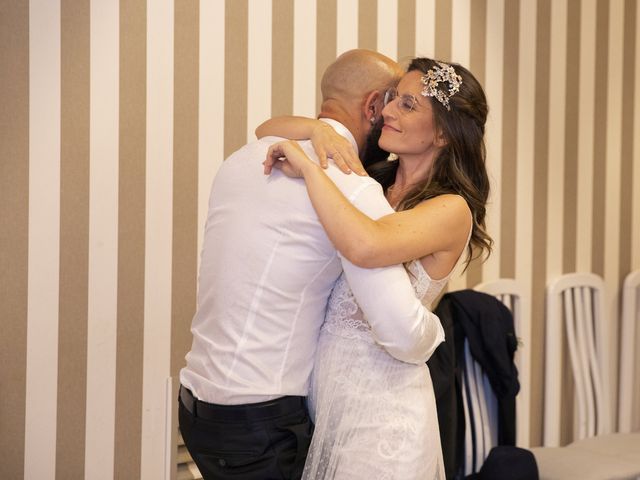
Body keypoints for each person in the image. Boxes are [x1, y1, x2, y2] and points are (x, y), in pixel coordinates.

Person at [179, 50, 447, 480]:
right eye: (394, 100)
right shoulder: (352, 187)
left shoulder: (244, 157)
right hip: (262, 421)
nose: (396, 111)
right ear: (373, 106)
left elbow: (266, 127)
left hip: (197, 404)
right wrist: (437, 326)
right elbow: (400, 331)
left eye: (409, 103)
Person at [260, 57, 492, 479]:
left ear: (443, 132)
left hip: (386, 420)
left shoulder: (451, 209)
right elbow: (266, 130)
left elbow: (368, 245)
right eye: (391, 100)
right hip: (328, 407)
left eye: (407, 105)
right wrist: (317, 130)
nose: (386, 111)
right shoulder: (372, 182)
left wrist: (313, 173)